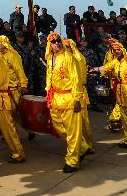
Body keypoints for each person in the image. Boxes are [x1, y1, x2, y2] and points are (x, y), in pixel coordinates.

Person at [45, 32, 87, 173]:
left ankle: (72, 161)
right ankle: (82, 147)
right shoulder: (50, 58)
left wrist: (76, 99)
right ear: (49, 44)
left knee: (73, 131)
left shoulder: (69, 58)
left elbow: (76, 79)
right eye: (53, 41)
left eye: (58, 41)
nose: (57, 43)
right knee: (59, 128)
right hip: (55, 98)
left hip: (69, 98)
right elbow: (49, 77)